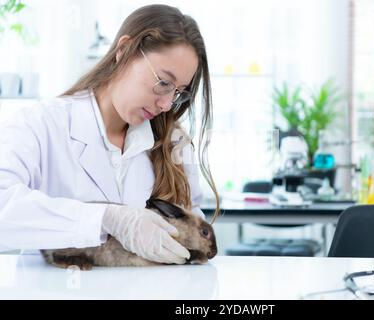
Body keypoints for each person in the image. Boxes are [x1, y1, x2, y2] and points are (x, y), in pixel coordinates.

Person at [0, 4, 219, 265]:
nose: (166, 104)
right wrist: (105, 218)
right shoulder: (42, 124)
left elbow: (194, 226)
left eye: (178, 92)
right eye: (163, 82)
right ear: (124, 51)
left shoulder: (175, 142)